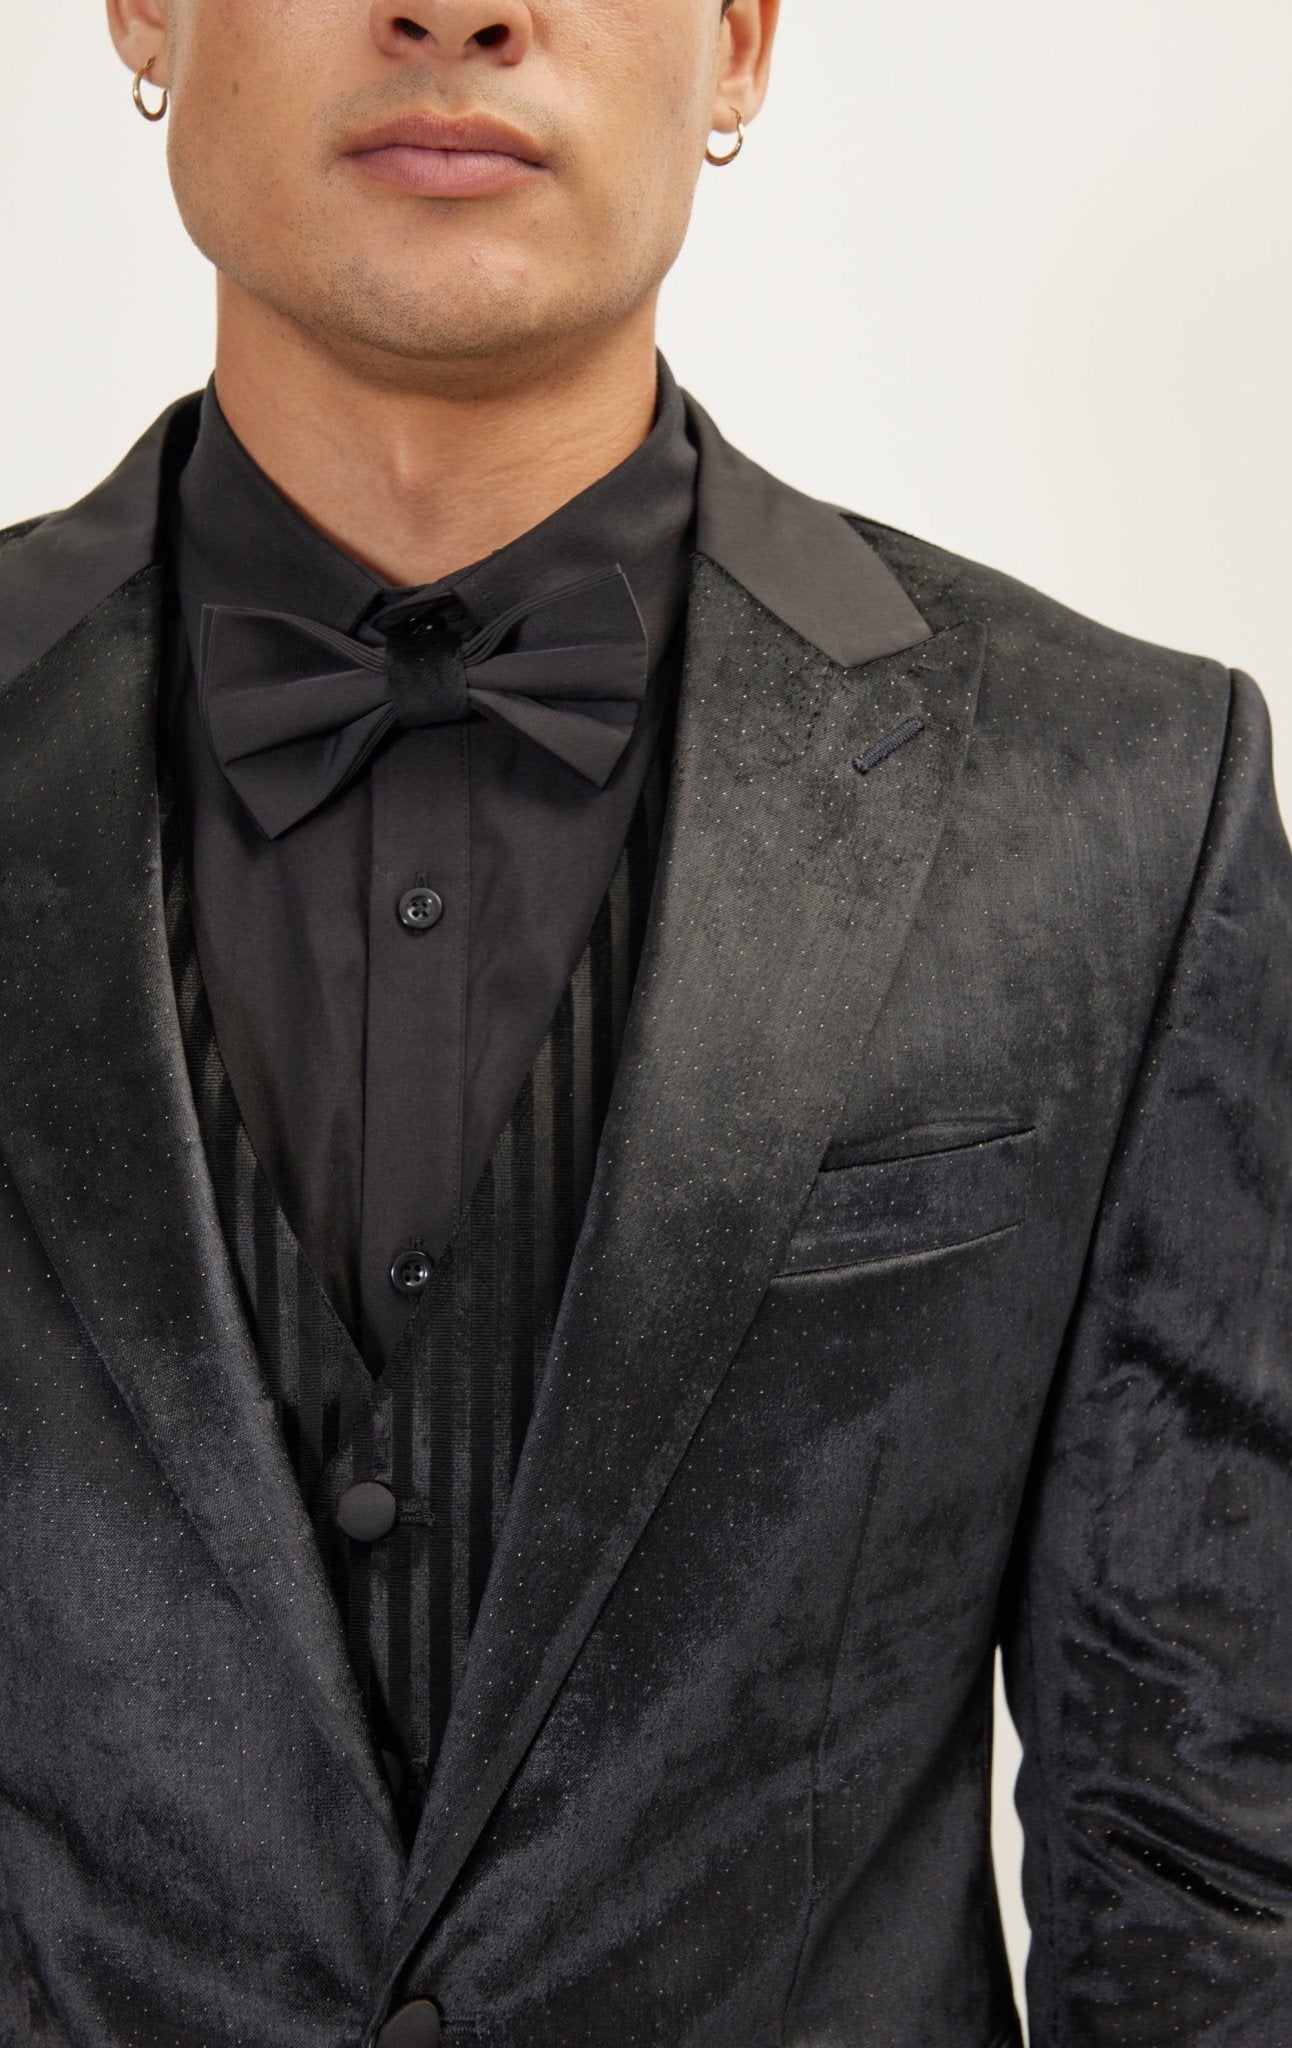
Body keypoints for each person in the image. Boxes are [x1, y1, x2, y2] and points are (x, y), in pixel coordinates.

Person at [0, 0, 1287, 2043]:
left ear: (742, 41)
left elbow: (1210, 1846)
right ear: (144, 9)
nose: (457, 10)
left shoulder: (1122, 797)